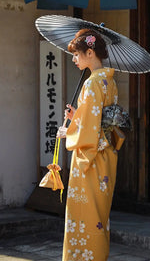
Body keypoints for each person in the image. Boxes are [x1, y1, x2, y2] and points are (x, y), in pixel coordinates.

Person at [57, 28, 119, 261]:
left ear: (90, 53)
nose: (74, 59)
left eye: (77, 54)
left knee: (85, 214)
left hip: (89, 159)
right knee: (98, 217)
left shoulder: (92, 84)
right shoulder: (108, 80)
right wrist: (77, 117)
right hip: (104, 157)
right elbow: (97, 119)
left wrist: (68, 130)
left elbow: (90, 130)